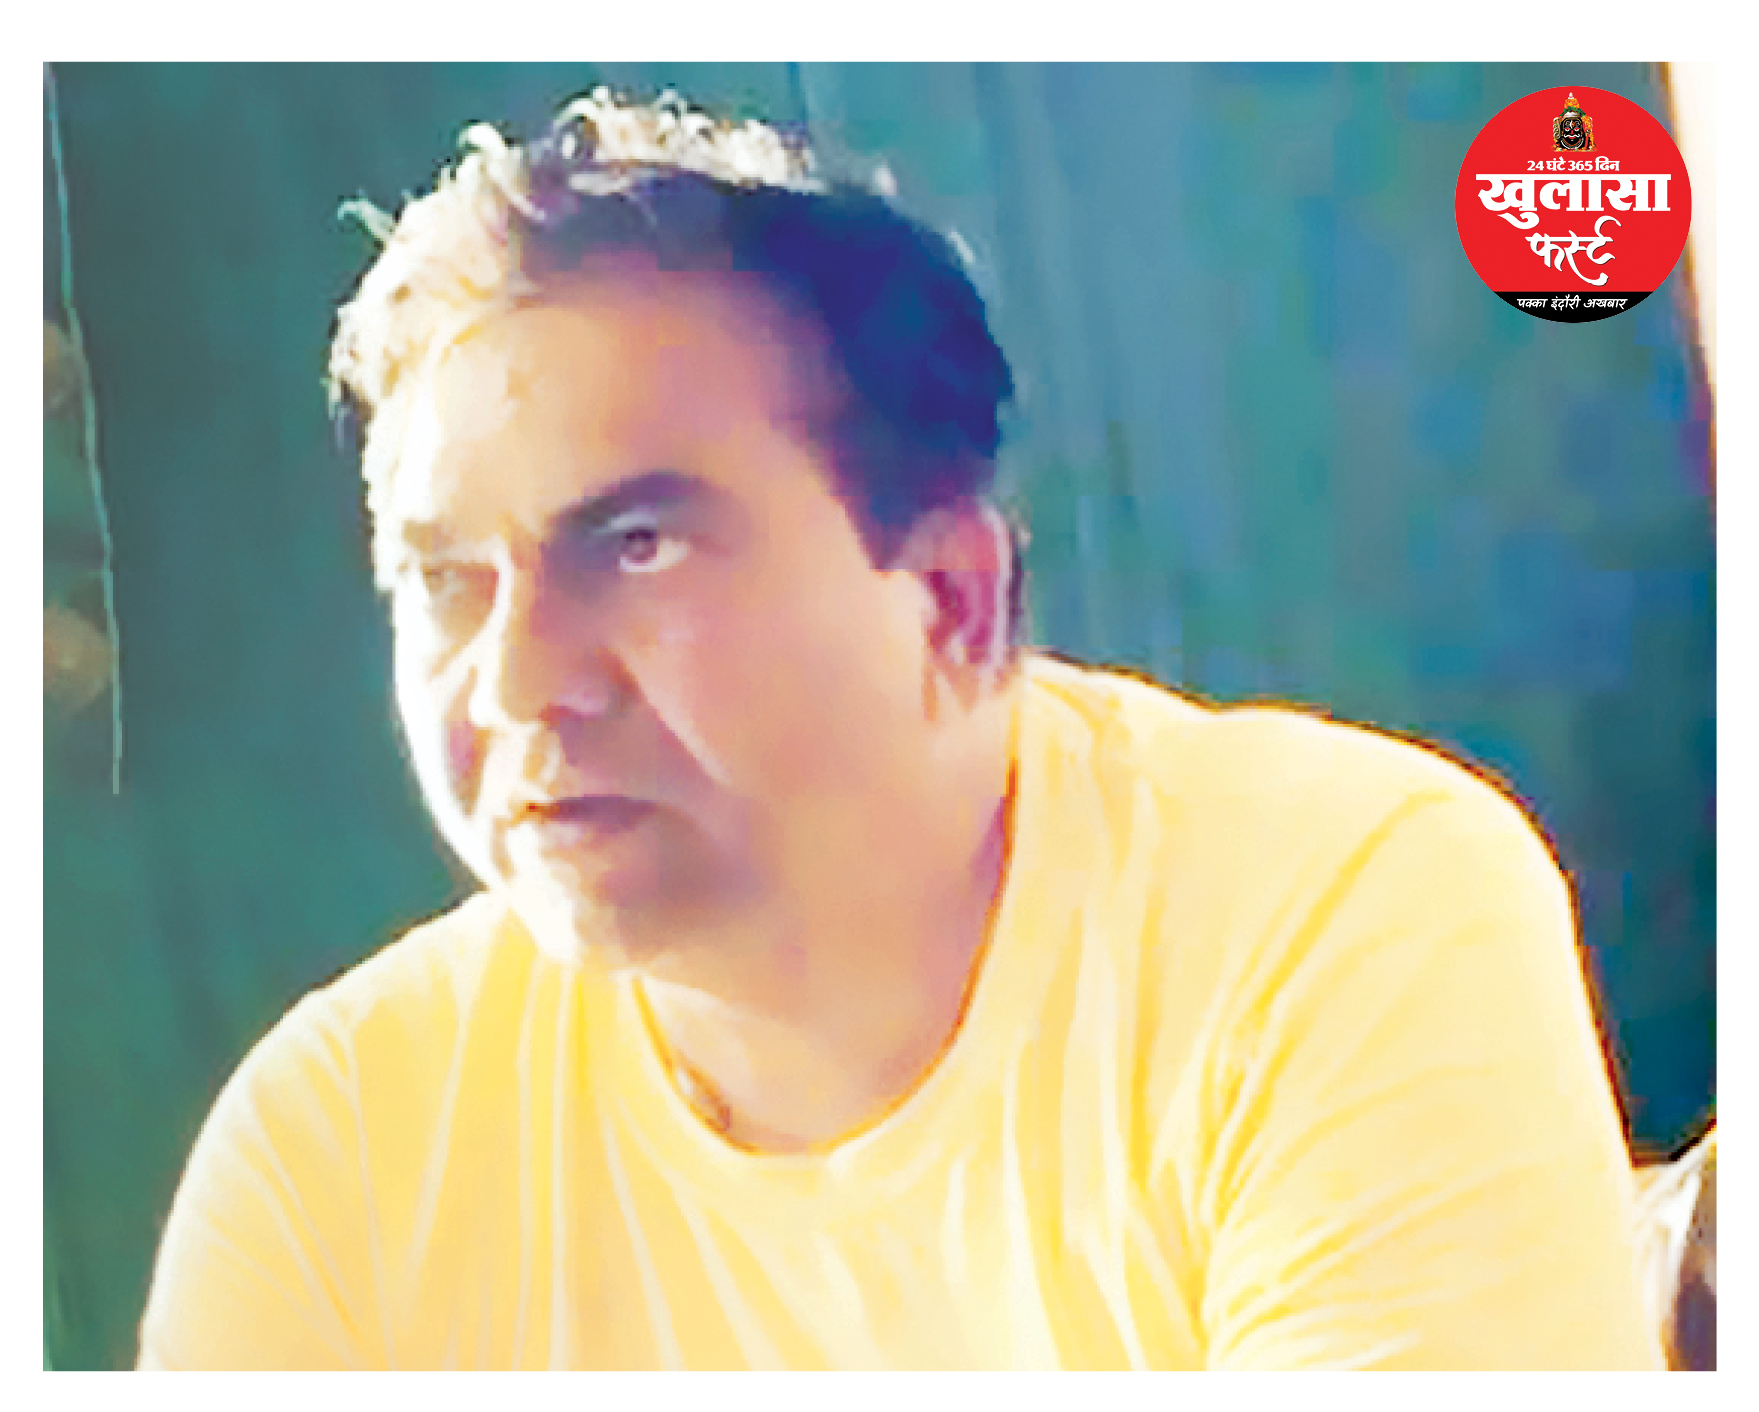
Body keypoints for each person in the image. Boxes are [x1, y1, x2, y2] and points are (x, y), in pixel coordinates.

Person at [138, 89, 1662, 1370]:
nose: (517, 680)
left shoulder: (1335, 920)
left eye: (638, 546)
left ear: (949, 600)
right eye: (446, 584)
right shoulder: (343, 1141)